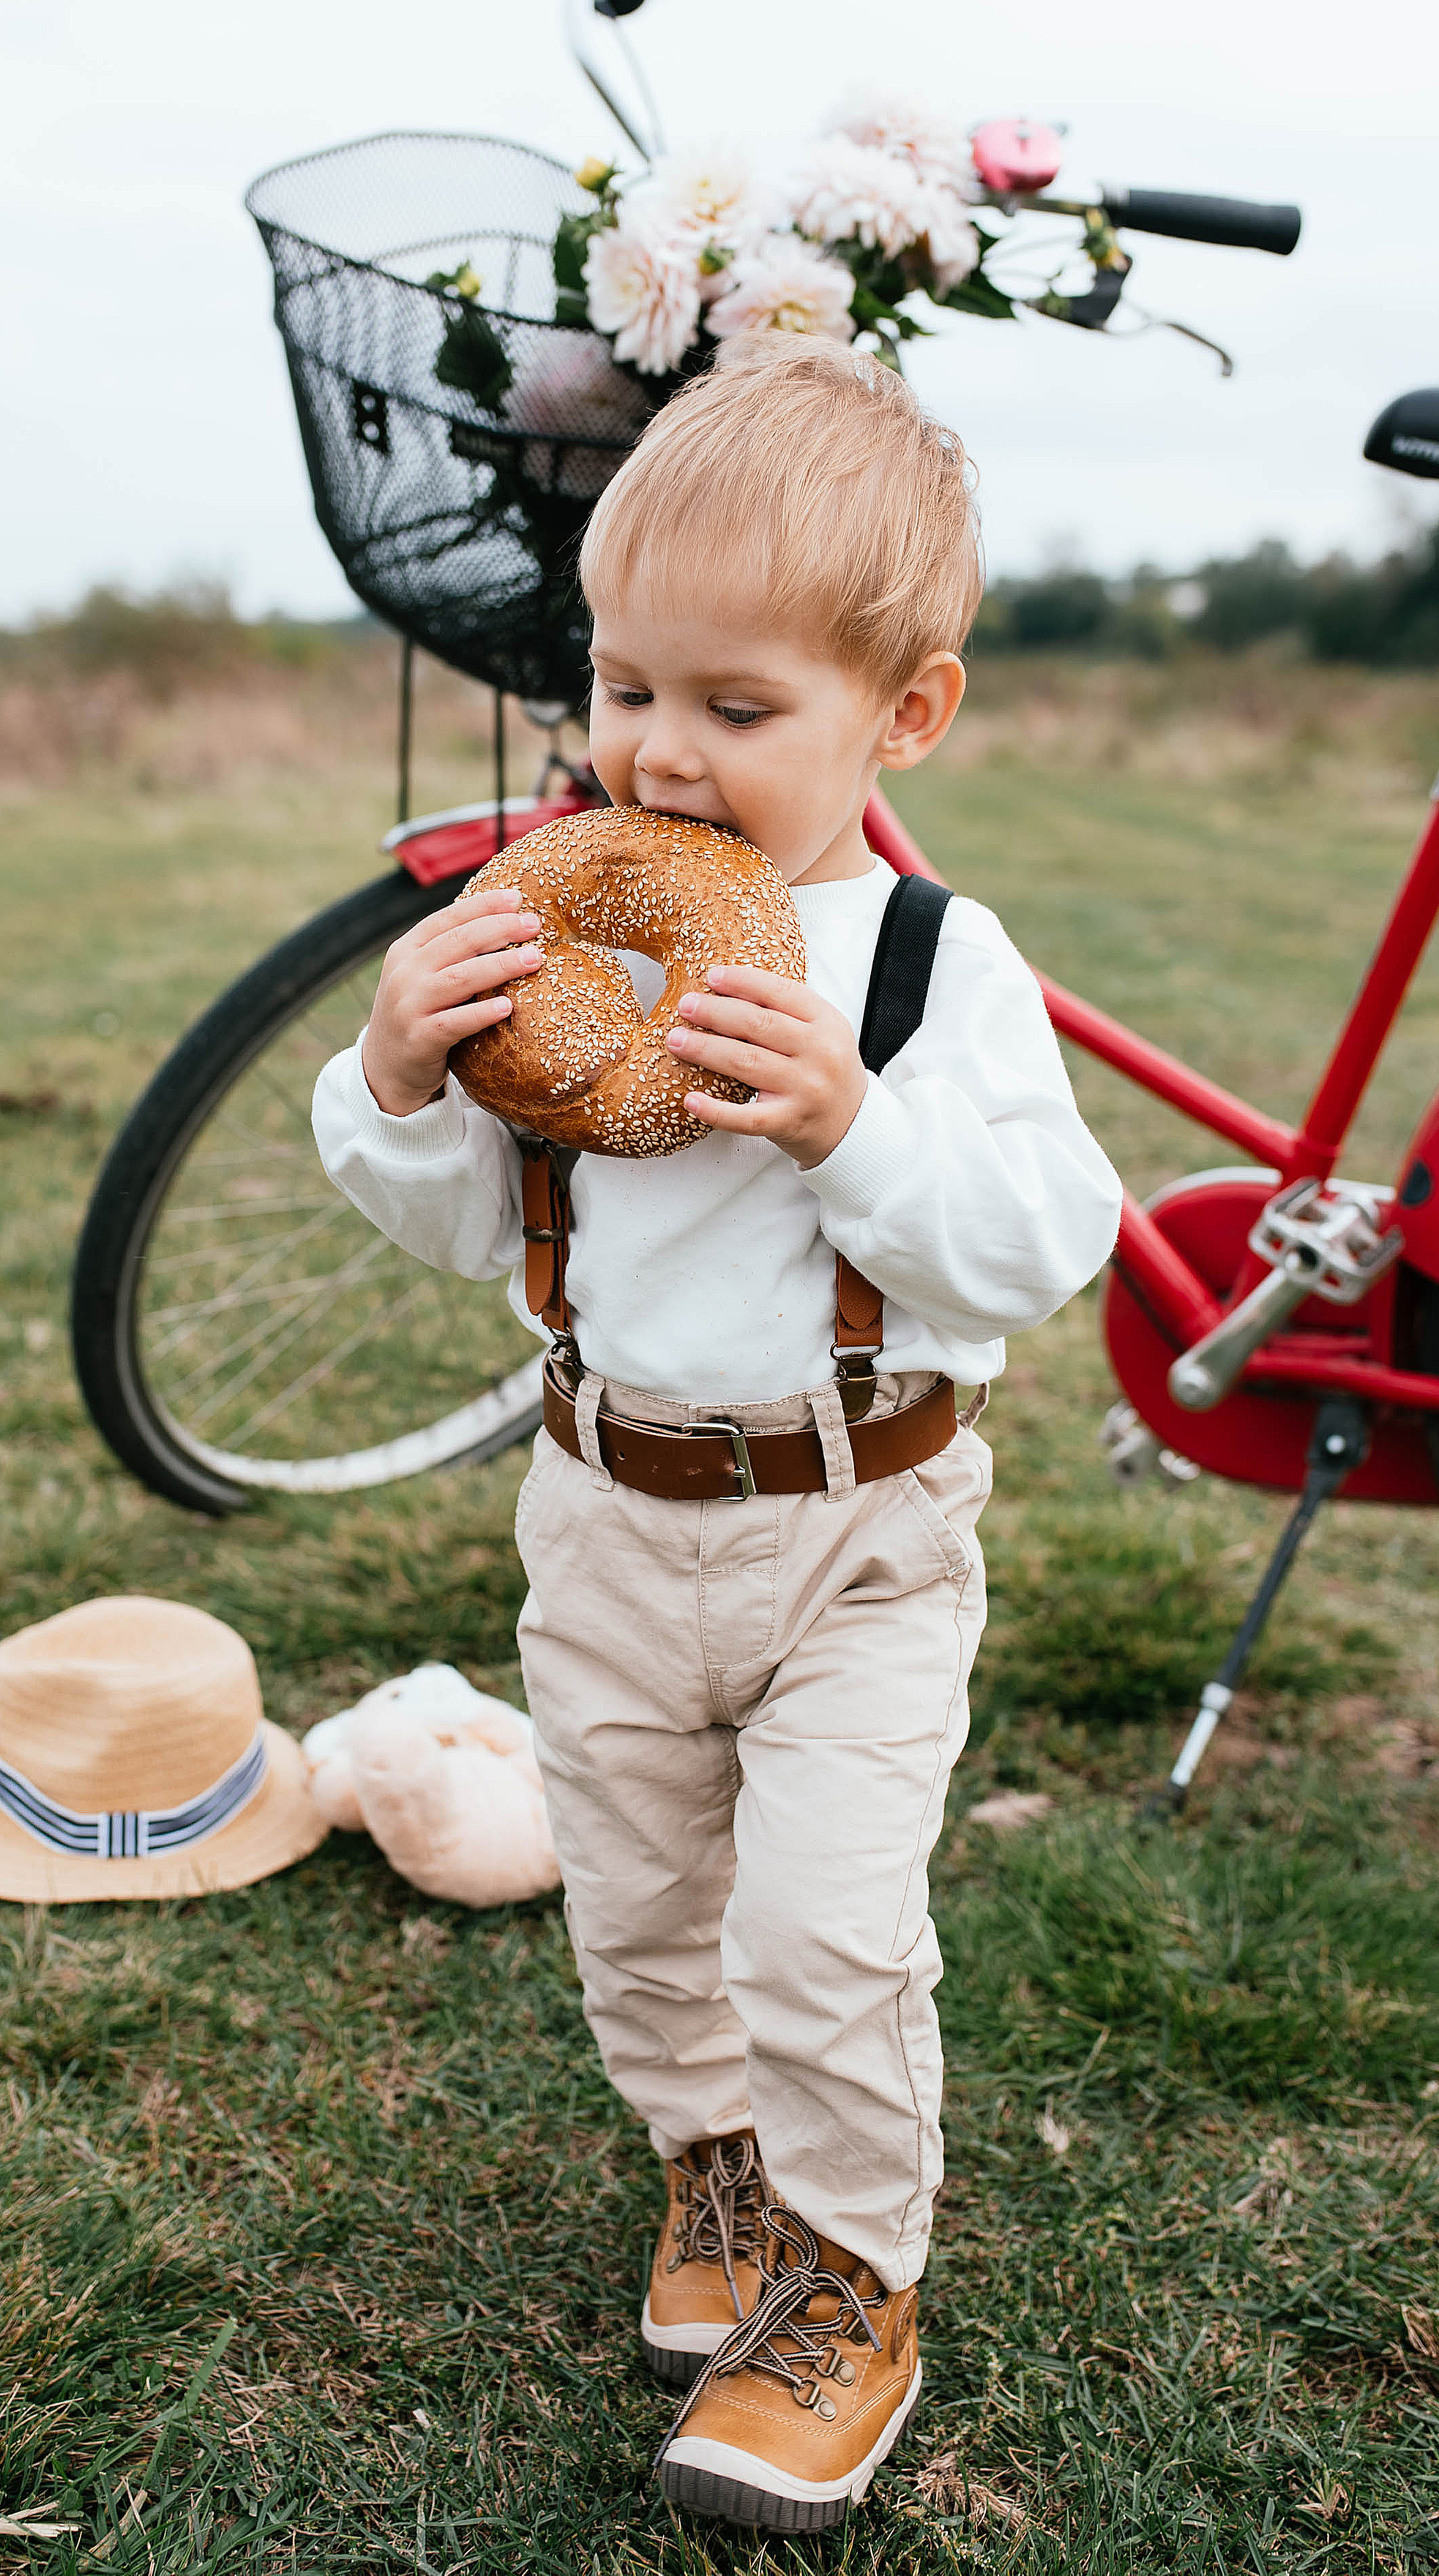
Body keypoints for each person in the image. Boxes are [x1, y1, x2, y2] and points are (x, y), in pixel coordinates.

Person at [313, 338, 1122, 2536]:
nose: (661, 753)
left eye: (740, 708)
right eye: (626, 687)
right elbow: (459, 1223)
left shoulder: (928, 970)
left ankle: (855, 2277)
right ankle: (718, 2161)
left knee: (825, 1928)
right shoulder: (543, 939)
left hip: (861, 1527)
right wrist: (395, 1075)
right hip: (605, 1514)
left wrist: (854, 1127)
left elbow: (1044, 1243)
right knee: (648, 1903)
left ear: (904, 716)